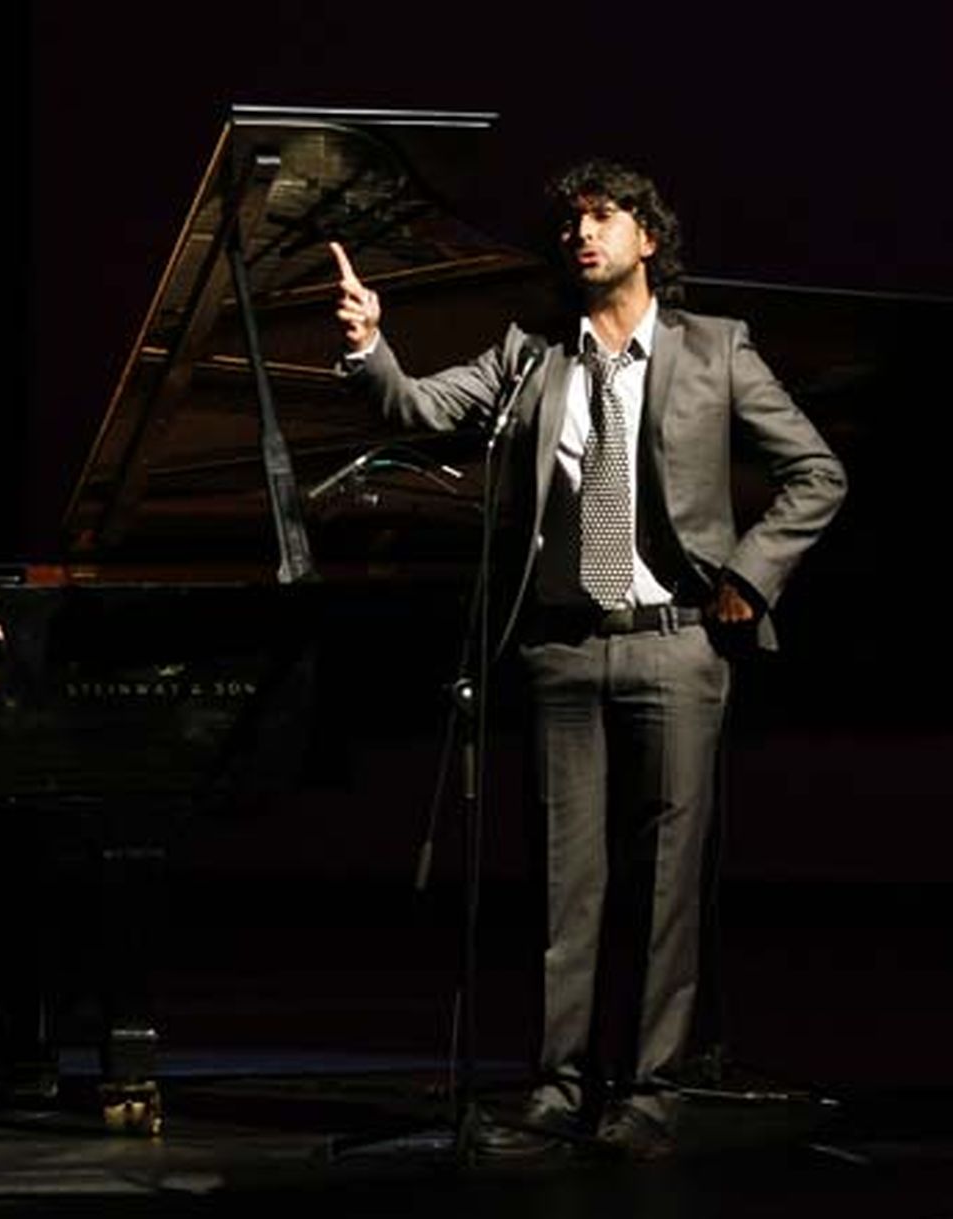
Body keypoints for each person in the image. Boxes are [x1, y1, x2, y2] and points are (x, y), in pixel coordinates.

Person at [331, 160, 846, 1158]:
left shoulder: (716, 349)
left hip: (674, 648)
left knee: (665, 884)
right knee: (566, 885)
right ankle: (559, 1087)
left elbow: (816, 471)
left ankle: (647, 1092)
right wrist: (369, 348)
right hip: (560, 650)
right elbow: (419, 413)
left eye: (604, 216)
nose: (582, 232)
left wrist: (749, 573)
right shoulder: (529, 355)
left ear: (647, 238)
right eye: (570, 218)